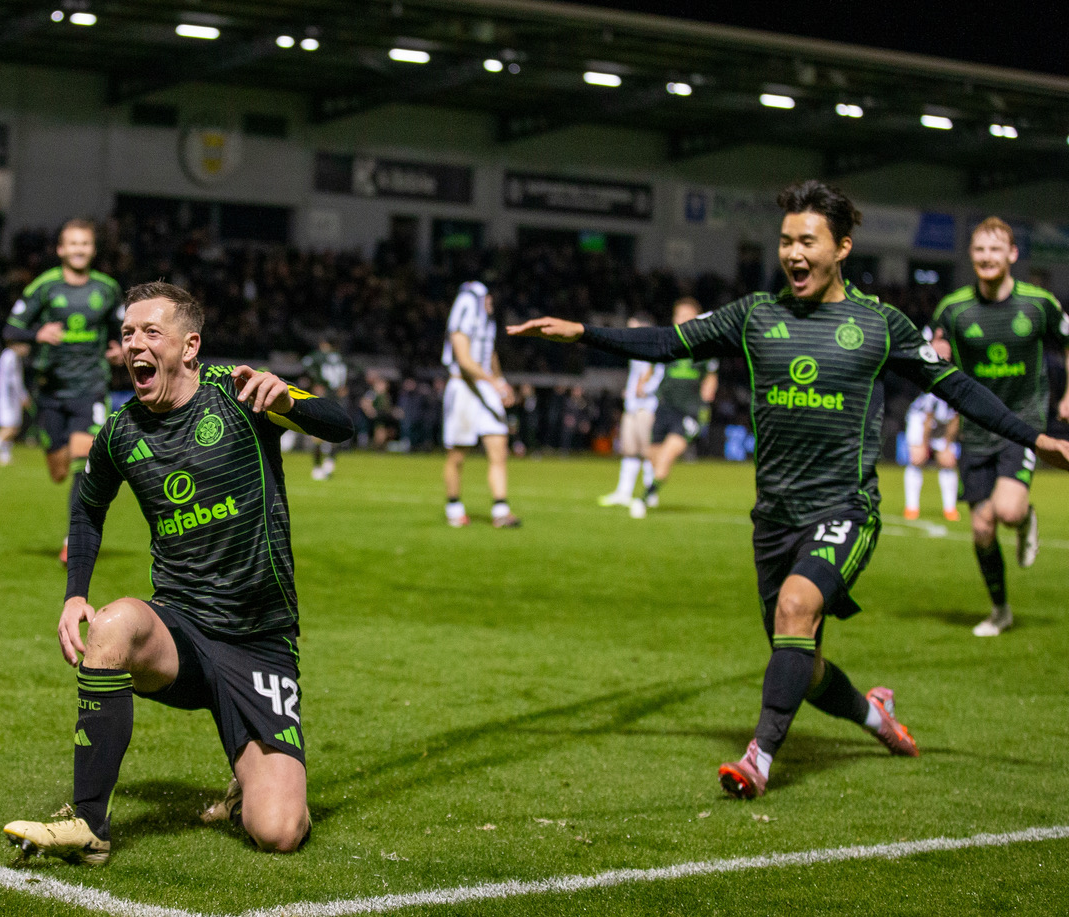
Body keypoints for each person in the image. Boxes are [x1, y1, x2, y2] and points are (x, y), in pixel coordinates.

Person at [510, 180, 1069, 800]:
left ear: (842, 248)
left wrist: (1037, 438)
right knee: (803, 662)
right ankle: (875, 715)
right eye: (785, 242)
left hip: (845, 509)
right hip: (774, 518)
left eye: (808, 241)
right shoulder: (754, 315)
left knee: (797, 608)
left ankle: (759, 759)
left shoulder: (880, 324)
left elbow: (956, 386)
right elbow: (670, 343)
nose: (793, 254)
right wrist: (583, 333)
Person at [4, 282, 354, 863]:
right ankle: (88, 823)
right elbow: (87, 508)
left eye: (150, 332)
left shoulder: (240, 393)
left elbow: (342, 424)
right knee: (113, 625)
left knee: (278, 832)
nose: (133, 345)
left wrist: (291, 403)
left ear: (189, 346)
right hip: (181, 633)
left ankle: (249, 783)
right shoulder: (120, 431)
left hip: (259, 640)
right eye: (126, 334)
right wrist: (74, 595)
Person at [932, 217, 1069, 636]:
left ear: (1012, 254)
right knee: (981, 528)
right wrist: (937, 349)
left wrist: (1068, 395)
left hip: (1023, 423)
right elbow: (937, 345)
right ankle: (1000, 610)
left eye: (995, 249)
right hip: (975, 430)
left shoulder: (1039, 303)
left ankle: (1024, 519)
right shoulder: (953, 308)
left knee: (1006, 511)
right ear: (970, 255)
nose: (987, 257)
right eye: (979, 249)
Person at [4, 219, 124, 562]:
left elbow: (123, 330)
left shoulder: (108, 288)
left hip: (91, 387)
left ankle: (74, 539)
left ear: (93, 249)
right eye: (73, 243)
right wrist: (37, 334)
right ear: (60, 249)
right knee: (58, 471)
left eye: (84, 243)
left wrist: (121, 350)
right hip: (51, 391)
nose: (79, 249)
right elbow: (11, 330)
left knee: (84, 461)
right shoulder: (45, 287)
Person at [441, 280, 520, 528]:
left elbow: (490, 352)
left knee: (499, 448)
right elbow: (464, 360)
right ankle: (454, 507)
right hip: (463, 387)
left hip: (484, 386)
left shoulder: (486, 320)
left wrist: (500, 381)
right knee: (457, 455)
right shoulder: (466, 307)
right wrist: (494, 383)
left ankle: (501, 510)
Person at [643, 298, 719, 511]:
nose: (683, 319)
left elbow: (712, 375)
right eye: (680, 315)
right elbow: (652, 366)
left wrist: (708, 392)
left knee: (667, 454)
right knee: (653, 454)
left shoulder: (706, 345)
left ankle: (645, 497)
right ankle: (654, 486)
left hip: (689, 409)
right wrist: (644, 381)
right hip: (665, 405)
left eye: (688, 315)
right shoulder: (667, 343)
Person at [599, 316, 662, 518]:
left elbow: (658, 375)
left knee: (648, 451)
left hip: (647, 408)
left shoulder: (656, 349)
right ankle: (623, 492)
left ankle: (650, 493)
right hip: (633, 407)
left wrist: (646, 389)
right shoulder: (635, 351)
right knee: (629, 450)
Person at [902, 390, 959, 521]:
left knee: (948, 462)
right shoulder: (933, 396)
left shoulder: (959, 396)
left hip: (941, 424)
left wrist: (947, 446)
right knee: (917, 459)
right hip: (919, 420)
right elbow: (927, 420)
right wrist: (924, 446)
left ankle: (950, 509)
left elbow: (955, 422)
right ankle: (911, 508)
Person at [300, 338, 348, 479]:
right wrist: (344, 386)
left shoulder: (318, 356)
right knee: (336, 430)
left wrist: (315, 383)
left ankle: (317, 467)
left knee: (318, 433)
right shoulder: (341, 357)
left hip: (323, 397)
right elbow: (355, 370)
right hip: (337, 399)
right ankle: (329, 462)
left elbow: (305, 365)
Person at [0, 343, 31, 466]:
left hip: (11, 398)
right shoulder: (10, 357)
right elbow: (14, 380)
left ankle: (5, 456)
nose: (28, 349)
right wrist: (23, 396)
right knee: (8, 428)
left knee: (14, 428)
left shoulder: (10, 356)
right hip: (7, 398)